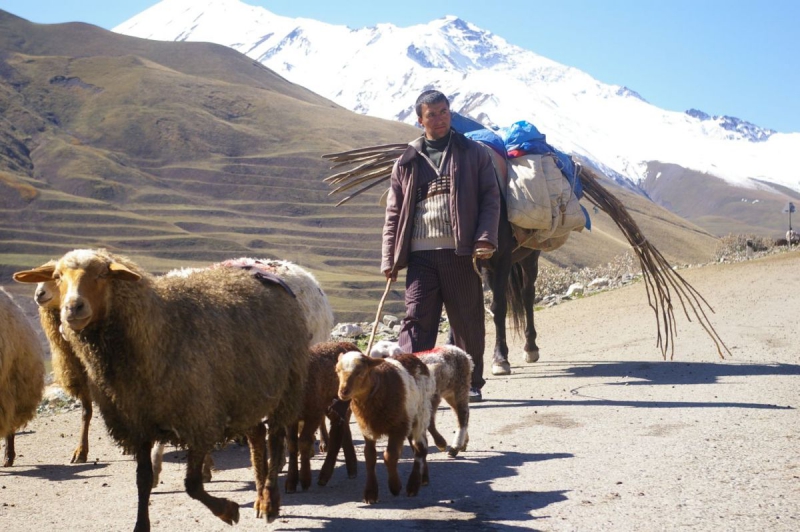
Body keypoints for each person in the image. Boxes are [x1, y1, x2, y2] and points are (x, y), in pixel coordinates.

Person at [381, 89, 500, 402]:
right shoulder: (406, 161)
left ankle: (469, 382)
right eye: (431, 114)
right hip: (420, 255)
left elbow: (490, 198)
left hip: (460, 252)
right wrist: (389, 257)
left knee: (466, 319)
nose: (439, 118)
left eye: (443, 111)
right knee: (417, 318)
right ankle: (412, 382)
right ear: (420, 120)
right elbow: (393, 213)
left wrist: (485, 237)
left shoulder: (473, 153)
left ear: (450, 112)